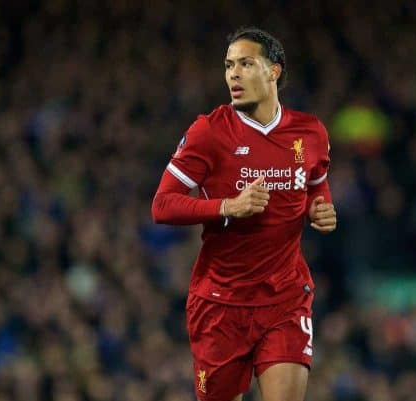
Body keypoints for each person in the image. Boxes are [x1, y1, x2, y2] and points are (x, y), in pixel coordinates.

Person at [151, 27, 337, 401]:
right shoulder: (209, 132)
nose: (233, 74)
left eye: (246, 64)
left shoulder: (310, 132)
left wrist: (321, 208)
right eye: (228, 65)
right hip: (221, 303)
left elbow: (316, 181)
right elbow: (162, 205)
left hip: (285, 297)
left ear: (274, 71)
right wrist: (226, 206)